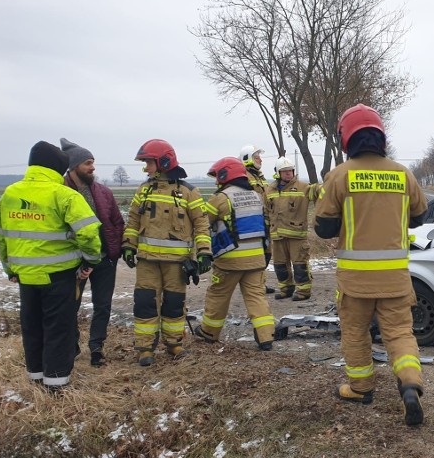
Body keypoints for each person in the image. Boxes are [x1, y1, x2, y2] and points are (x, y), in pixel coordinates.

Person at [314, 104, 427, 426]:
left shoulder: (339, 175)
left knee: (355, 332)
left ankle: (361, 387)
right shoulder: (402, 173)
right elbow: (420, 216)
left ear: (346, 139)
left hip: (356, 281)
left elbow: (324, 228)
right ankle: (409, 383)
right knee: (399, 333)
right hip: (394, 277)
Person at [0, 141, 102, 390]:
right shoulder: (64, 195)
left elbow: (1, 238)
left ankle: (35, 378)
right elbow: (88, 233)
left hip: (25, 276)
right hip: (59, 276)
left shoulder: (10, 193)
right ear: (58, 168)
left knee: (32, 326)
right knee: (58, 328)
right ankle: (56, 383)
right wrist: (91, 259)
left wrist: (10, 269)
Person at [121, 139, 212, 366]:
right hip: (147, 262)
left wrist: (204, 252)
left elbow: (201, 225)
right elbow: (132, 220)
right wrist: (128, 246)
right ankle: (145, 349)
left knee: (173, 304)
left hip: (176, 263)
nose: (145, 168)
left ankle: (174, 344)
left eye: (148, 162)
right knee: (145, 303)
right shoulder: (143, 190)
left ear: (163, 162)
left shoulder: (189, 192)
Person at [194, 157, 275, 350]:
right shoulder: (256, 196)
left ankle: (209, 332)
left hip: (229, 260)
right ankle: (266, 337)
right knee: (256, 296)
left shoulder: (220, 198)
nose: (216, 181)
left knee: (218, 294)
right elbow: (265, 226)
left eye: (217, 176)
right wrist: (267, 253)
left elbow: (204, 223)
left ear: (226, 175)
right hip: (256, 258)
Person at [60, 138, 126, 367]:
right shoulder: (60, 193)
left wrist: (115, 250)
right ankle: (72, 346)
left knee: (103, 305)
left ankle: (96, 347)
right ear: (74, 165)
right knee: (70, 306)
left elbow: (117, 222)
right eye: (88, 162)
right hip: (73, 262)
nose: (93, 167)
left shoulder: (104, 192)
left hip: (105, 260)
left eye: (93, 162)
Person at [267, 157, 320, 301]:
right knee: (279, 264)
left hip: (296, 235)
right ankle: (285, 288)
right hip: (277, 235)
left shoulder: (303, 187)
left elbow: (317, 192)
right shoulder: (269, 190)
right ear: (278, 173)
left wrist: (329, 186)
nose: (288, 174)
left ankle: (303, 291)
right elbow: (266, 212)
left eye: (290, 171)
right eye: (284, 172)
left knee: (299, 264)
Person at [240, 144, 274, 294]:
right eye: (257, 156)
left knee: (266, 254)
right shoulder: (244, 176)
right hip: (253, 223)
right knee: (257, 255)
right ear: (247, 158)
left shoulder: (259, 176)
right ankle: (255, 285)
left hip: (264, 222)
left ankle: (259, 284)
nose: (260, 159)